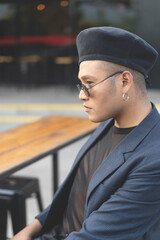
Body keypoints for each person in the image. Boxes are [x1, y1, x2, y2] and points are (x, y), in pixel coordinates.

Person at [11, 27, 160, 240]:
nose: (82, 95)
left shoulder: (154, 158)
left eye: (89, 83)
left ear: (125, 82)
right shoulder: (109, 123)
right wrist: (27, 232)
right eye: (81, 84)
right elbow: (70, 198)